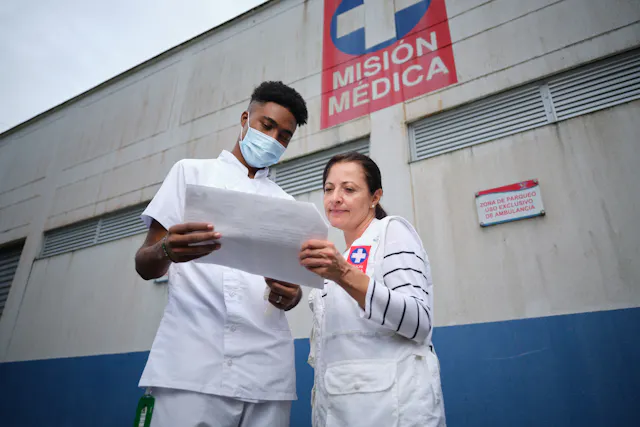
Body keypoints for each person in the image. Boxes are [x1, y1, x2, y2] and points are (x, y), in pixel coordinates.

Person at [134, 81, 309, 427]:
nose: (274, 139)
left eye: (284, 136)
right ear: (245, 119)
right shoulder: (191, 174)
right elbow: (144, 263)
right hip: (191, 365)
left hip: (266, 373)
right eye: (267, 125)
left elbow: (291, 289)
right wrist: (167, 250)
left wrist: (292, 296)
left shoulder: (288, 206)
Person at [299, 152, 446, 427]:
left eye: (349, 189)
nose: (335, 198)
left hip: (395, 413)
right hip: (341, 413)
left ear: (375, 197)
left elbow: (419, 322)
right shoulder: (337, 262)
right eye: (329, 189)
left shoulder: (392, 232)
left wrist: (344, 275)